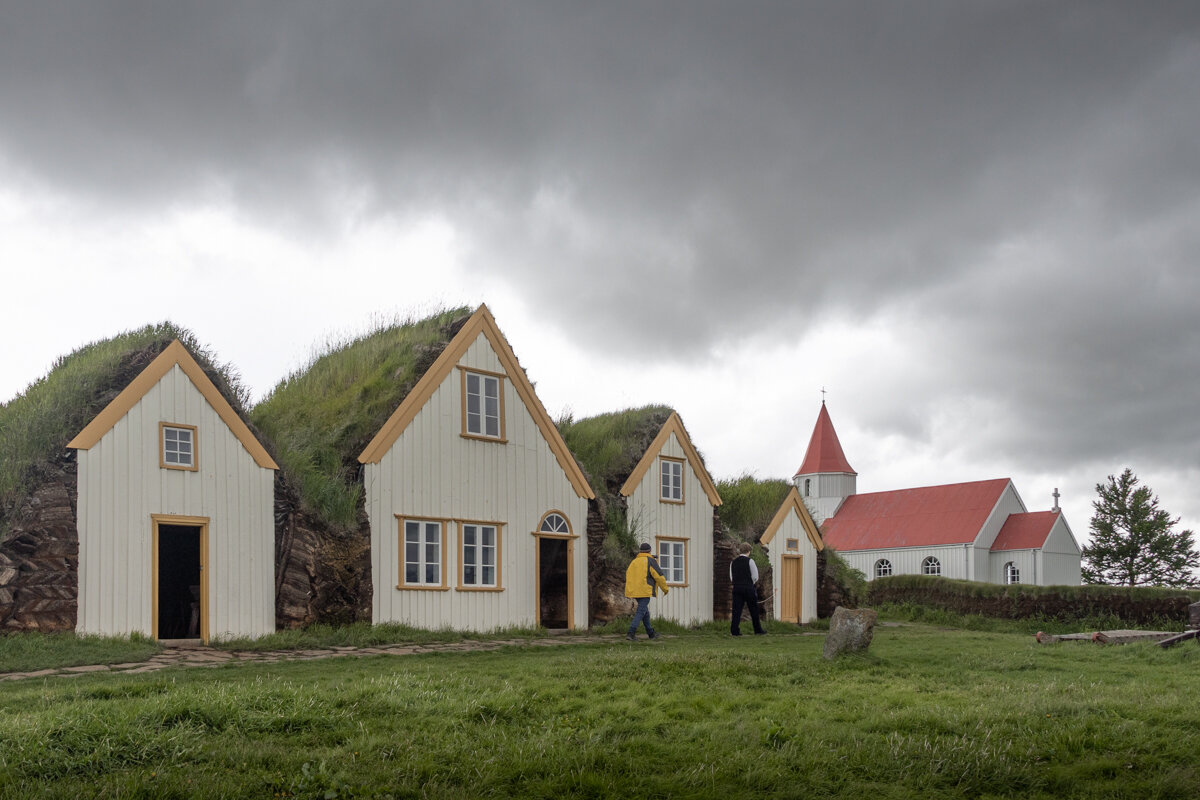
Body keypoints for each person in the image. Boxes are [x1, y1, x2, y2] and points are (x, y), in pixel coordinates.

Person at [625, 542, 669, 641]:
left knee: (645, 612)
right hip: (645, 590)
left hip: (634, 591)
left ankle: (651, 633)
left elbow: (628, 575)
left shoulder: (634, 561)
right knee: (641, 611)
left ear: (640, 551)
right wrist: (665, 589)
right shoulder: (651, 560)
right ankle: (631, 633)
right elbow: (659, 576)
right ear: (650, 551)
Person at [730, 542, 766, 636]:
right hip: (748, 587)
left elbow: (731, 577)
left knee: (736, 610)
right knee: (753, 609)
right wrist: (751, 583)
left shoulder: (733, 562)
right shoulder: (750, 561)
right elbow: (755, 576)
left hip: (737, 588)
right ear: (748, 551)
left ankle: (734, 631)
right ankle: (757, 630)